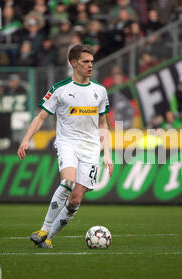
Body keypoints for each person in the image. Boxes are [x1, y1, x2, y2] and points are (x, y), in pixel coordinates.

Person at [17, 44, 113, 249]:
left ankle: (48, 237)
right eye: (85, 61)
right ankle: (43, 229)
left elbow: (103, 123)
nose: (90, 66)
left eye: (91, 62)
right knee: (68, 180)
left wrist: (108, 154)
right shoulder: (60, 89)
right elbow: (41, 116)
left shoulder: (100, 91)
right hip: (67, 142)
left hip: (91, 149)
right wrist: (26, 138)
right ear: (74, 63)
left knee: (75, 200)